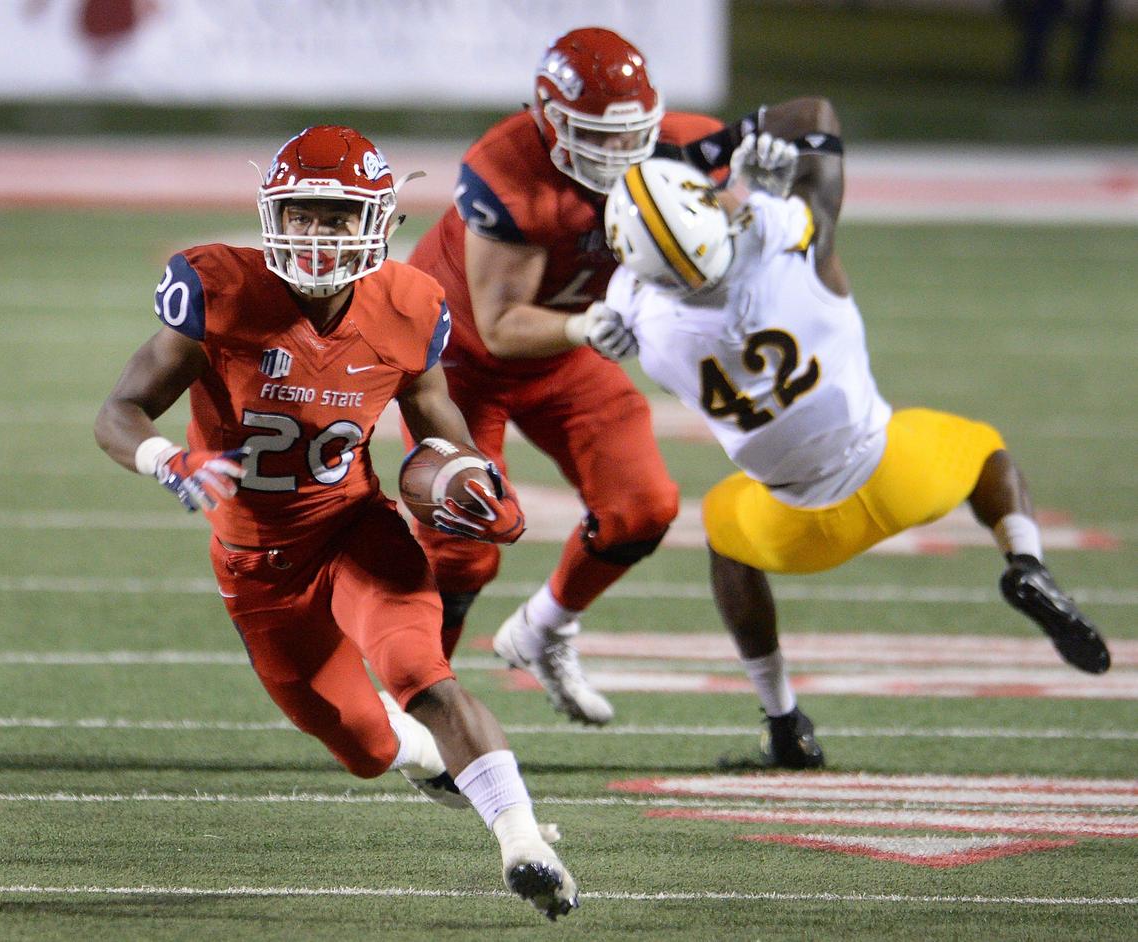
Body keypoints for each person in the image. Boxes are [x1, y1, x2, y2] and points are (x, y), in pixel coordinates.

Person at [93, 125, 578, 920]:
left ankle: (524, 844)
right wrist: (162, 459)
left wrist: (470, 474)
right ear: (272, 216)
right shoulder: (221, 290)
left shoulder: (408, 304)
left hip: (357, 531)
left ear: (377, 225)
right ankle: (424, 757)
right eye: (302, 216)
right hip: (255, 567)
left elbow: (435, 420)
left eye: (337, 218)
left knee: (426, 674)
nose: (317, 237)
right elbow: (121, 408)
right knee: (367, 748)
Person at [595, 108, 1113, 769]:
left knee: (725, 529)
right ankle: (1026, 562)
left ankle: (784, 722)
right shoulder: (787, 238)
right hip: (899, 474)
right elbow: (816, 126)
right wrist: (752, 172)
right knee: (983, 447)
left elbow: (633, 294)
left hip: (795, 527)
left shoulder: (653, 334)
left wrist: (611, 318)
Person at [407, 25, 786, 727]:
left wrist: (768, 186)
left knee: (642, 506)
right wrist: (587, 326)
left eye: (629, 136)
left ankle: (546, 631)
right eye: (595, 136)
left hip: (566, 348)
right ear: (548, 117)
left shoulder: (681, 144)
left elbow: (801, 140)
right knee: (461, 552)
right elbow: (498, 325)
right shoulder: (506, 168)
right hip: (457, 361)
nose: (617, 155)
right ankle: (417, 706)